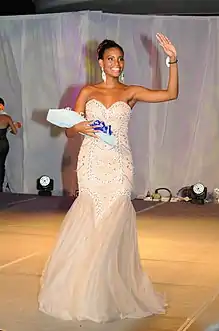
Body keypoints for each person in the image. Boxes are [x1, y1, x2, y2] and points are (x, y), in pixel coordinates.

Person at [38, 33, 178, 323]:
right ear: (101, 62)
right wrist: (81, 127)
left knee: (114, 222)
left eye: (120, 59)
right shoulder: (88, 91)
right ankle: (85, 290)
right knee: (92, 221)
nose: (116, 63)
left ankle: (106, 290)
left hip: (119, 165)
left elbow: (170, 94)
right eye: (111, 59)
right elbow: (68, 129)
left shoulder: (131, 92)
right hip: (91, 164)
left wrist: (172, 60)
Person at [0, 98, 21, 192]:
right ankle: (0, 187)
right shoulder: (7, 118)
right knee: (1, 165)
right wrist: (12, 127)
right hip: (3, 143)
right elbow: (15, 131)